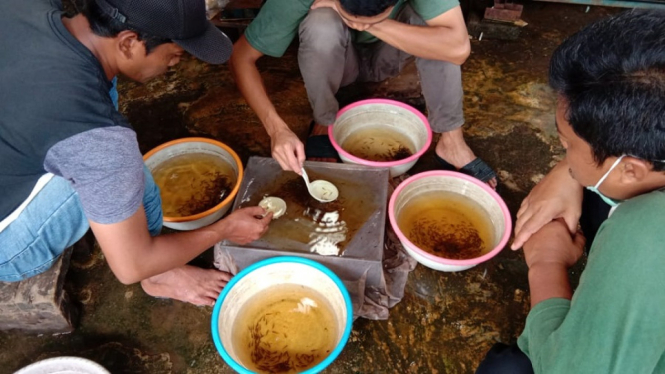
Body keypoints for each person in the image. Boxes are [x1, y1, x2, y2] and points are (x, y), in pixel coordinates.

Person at [0, 0, 273, 306]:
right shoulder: (100, 143)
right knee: (120, 167)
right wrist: (224, 228)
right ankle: (159, 275)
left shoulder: (23, 6)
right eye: (173, 56)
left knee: (107, 139)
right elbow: (130, 266)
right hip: (8, 248)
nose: (173, 65)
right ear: (129, 43)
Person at [477, 9, 665, 373]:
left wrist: (546, 264)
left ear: (630, 169)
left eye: (564, 145)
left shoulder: (646, 235)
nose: (562, 155)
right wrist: (570, 171)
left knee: (506, 367)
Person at [229, 0, 498, 188]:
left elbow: (458, 48)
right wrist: (276, 130)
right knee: (320, 22)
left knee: (439, 32)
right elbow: (241, 57)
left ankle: (451, 141)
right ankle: (324, 120)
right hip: (341, 61)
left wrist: (369, 24)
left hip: (391, 54)